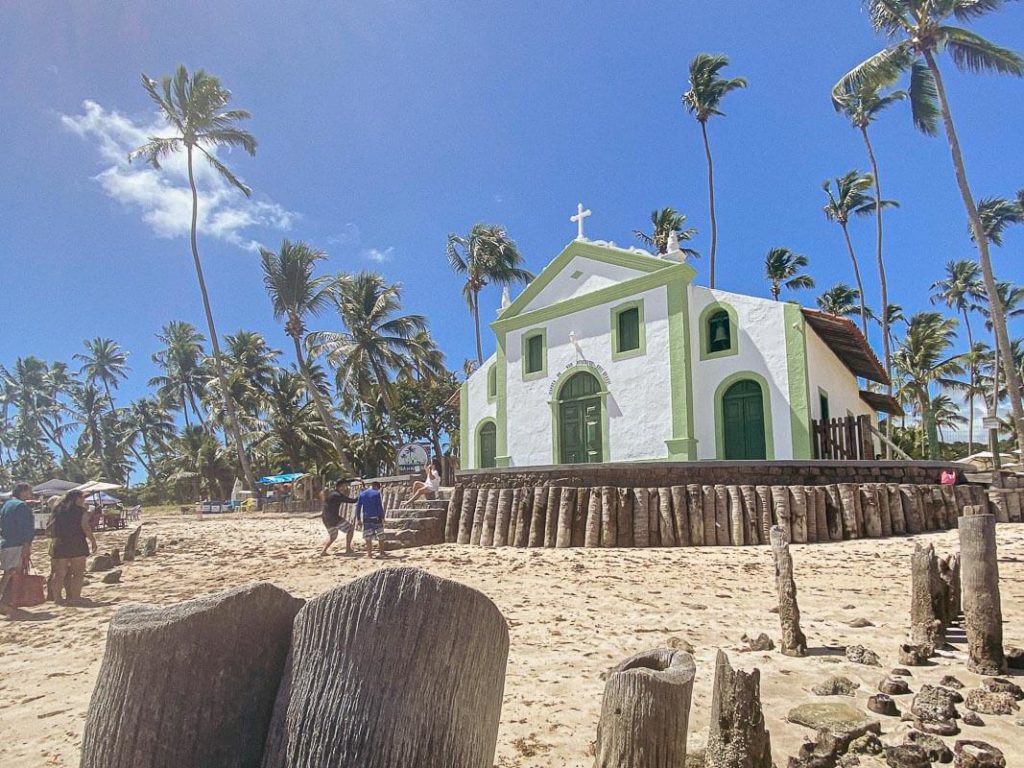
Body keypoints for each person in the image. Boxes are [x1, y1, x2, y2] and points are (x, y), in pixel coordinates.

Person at [50, 490, 97, 605]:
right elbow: (85, 527)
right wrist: (93, 541)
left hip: (60, 542)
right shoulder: (81, 511)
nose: (84, 500)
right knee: (78, 573)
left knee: (60, 573)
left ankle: (57, 598)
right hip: (77, 543)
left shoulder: (58, 510)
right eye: (82, 498)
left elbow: (52, 526)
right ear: (77, 498)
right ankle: (76, 597)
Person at [0, 482, 36, 616]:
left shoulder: (6, 505)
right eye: (29, 491)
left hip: (6, 543)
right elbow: (25, 527)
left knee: (9, 572)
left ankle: (6, 601)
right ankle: (4, 602)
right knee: (12, 572)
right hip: (16, 544)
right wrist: (27, 545)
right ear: (23, 491)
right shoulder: (21, 506)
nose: (30, 494)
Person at [320, 479, 359, 556]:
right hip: (334, 518)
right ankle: (348, 549)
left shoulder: (331, 493)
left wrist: (355, 479)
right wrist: (361, 493)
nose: (346, 488)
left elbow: (343, 481)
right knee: (350, 529)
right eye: (344, 486)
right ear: (340, 487)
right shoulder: (338, 496)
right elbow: (354, 501)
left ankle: (323, 551)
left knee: (333, 536)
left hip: (325, 517)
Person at [355, 480, 387, 559]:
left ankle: (369, 554)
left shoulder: (362, 494)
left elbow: (358, 507)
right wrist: (382, 517)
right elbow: (379, 506)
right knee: (380, 535)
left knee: (368, 537)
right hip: (376, 518)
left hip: (366, 518)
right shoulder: (377, 493)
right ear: (376, 486)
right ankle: (382, 553)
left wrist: (358, 519)